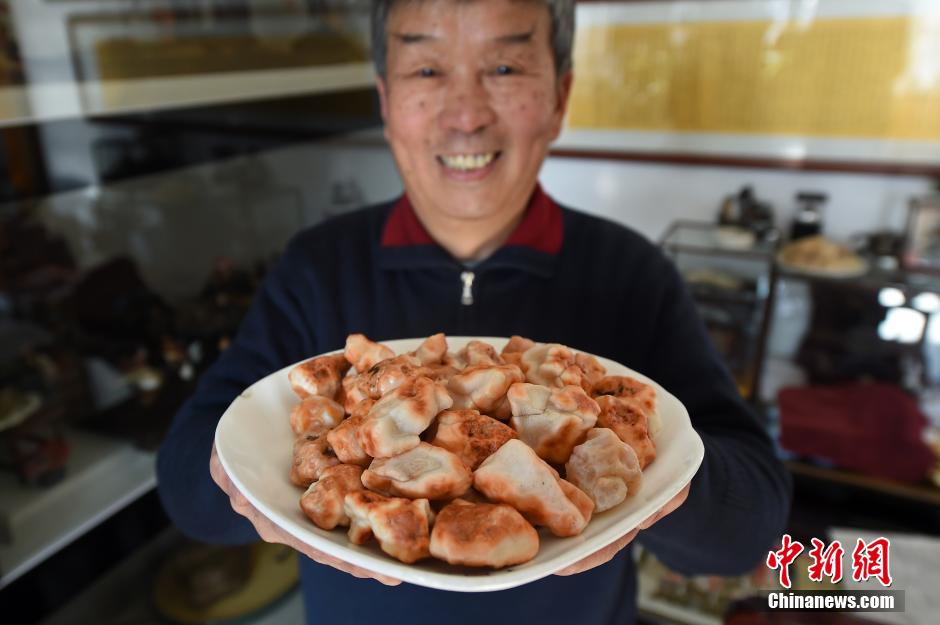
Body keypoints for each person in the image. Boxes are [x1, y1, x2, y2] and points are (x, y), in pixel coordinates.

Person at [157, 0, 792, 623]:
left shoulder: (632, 275)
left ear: (559, 98)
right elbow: (188, 485)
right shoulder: (315, 268)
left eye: (506, 68)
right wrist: (238, 479)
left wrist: (659, 476)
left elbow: (749, 526)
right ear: (385, 100)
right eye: (426, 70)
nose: (465, 115)